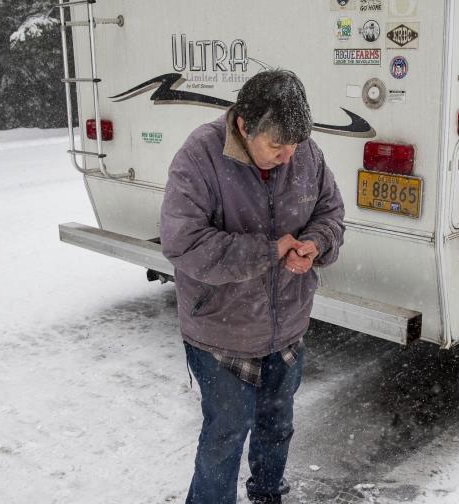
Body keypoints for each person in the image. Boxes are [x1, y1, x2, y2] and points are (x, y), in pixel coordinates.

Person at [159, 69, 345, 504]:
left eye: (294, 145)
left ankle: (267, 495)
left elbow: (331, 212)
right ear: (244, 125)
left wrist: (315, 244)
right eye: (276, 146)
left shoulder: (306, 156)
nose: (287, 157)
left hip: (287, 328)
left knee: (277, 426)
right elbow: (182, 243)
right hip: (221, 332)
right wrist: (266, 252)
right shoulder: (199, 157)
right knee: (225, 435)